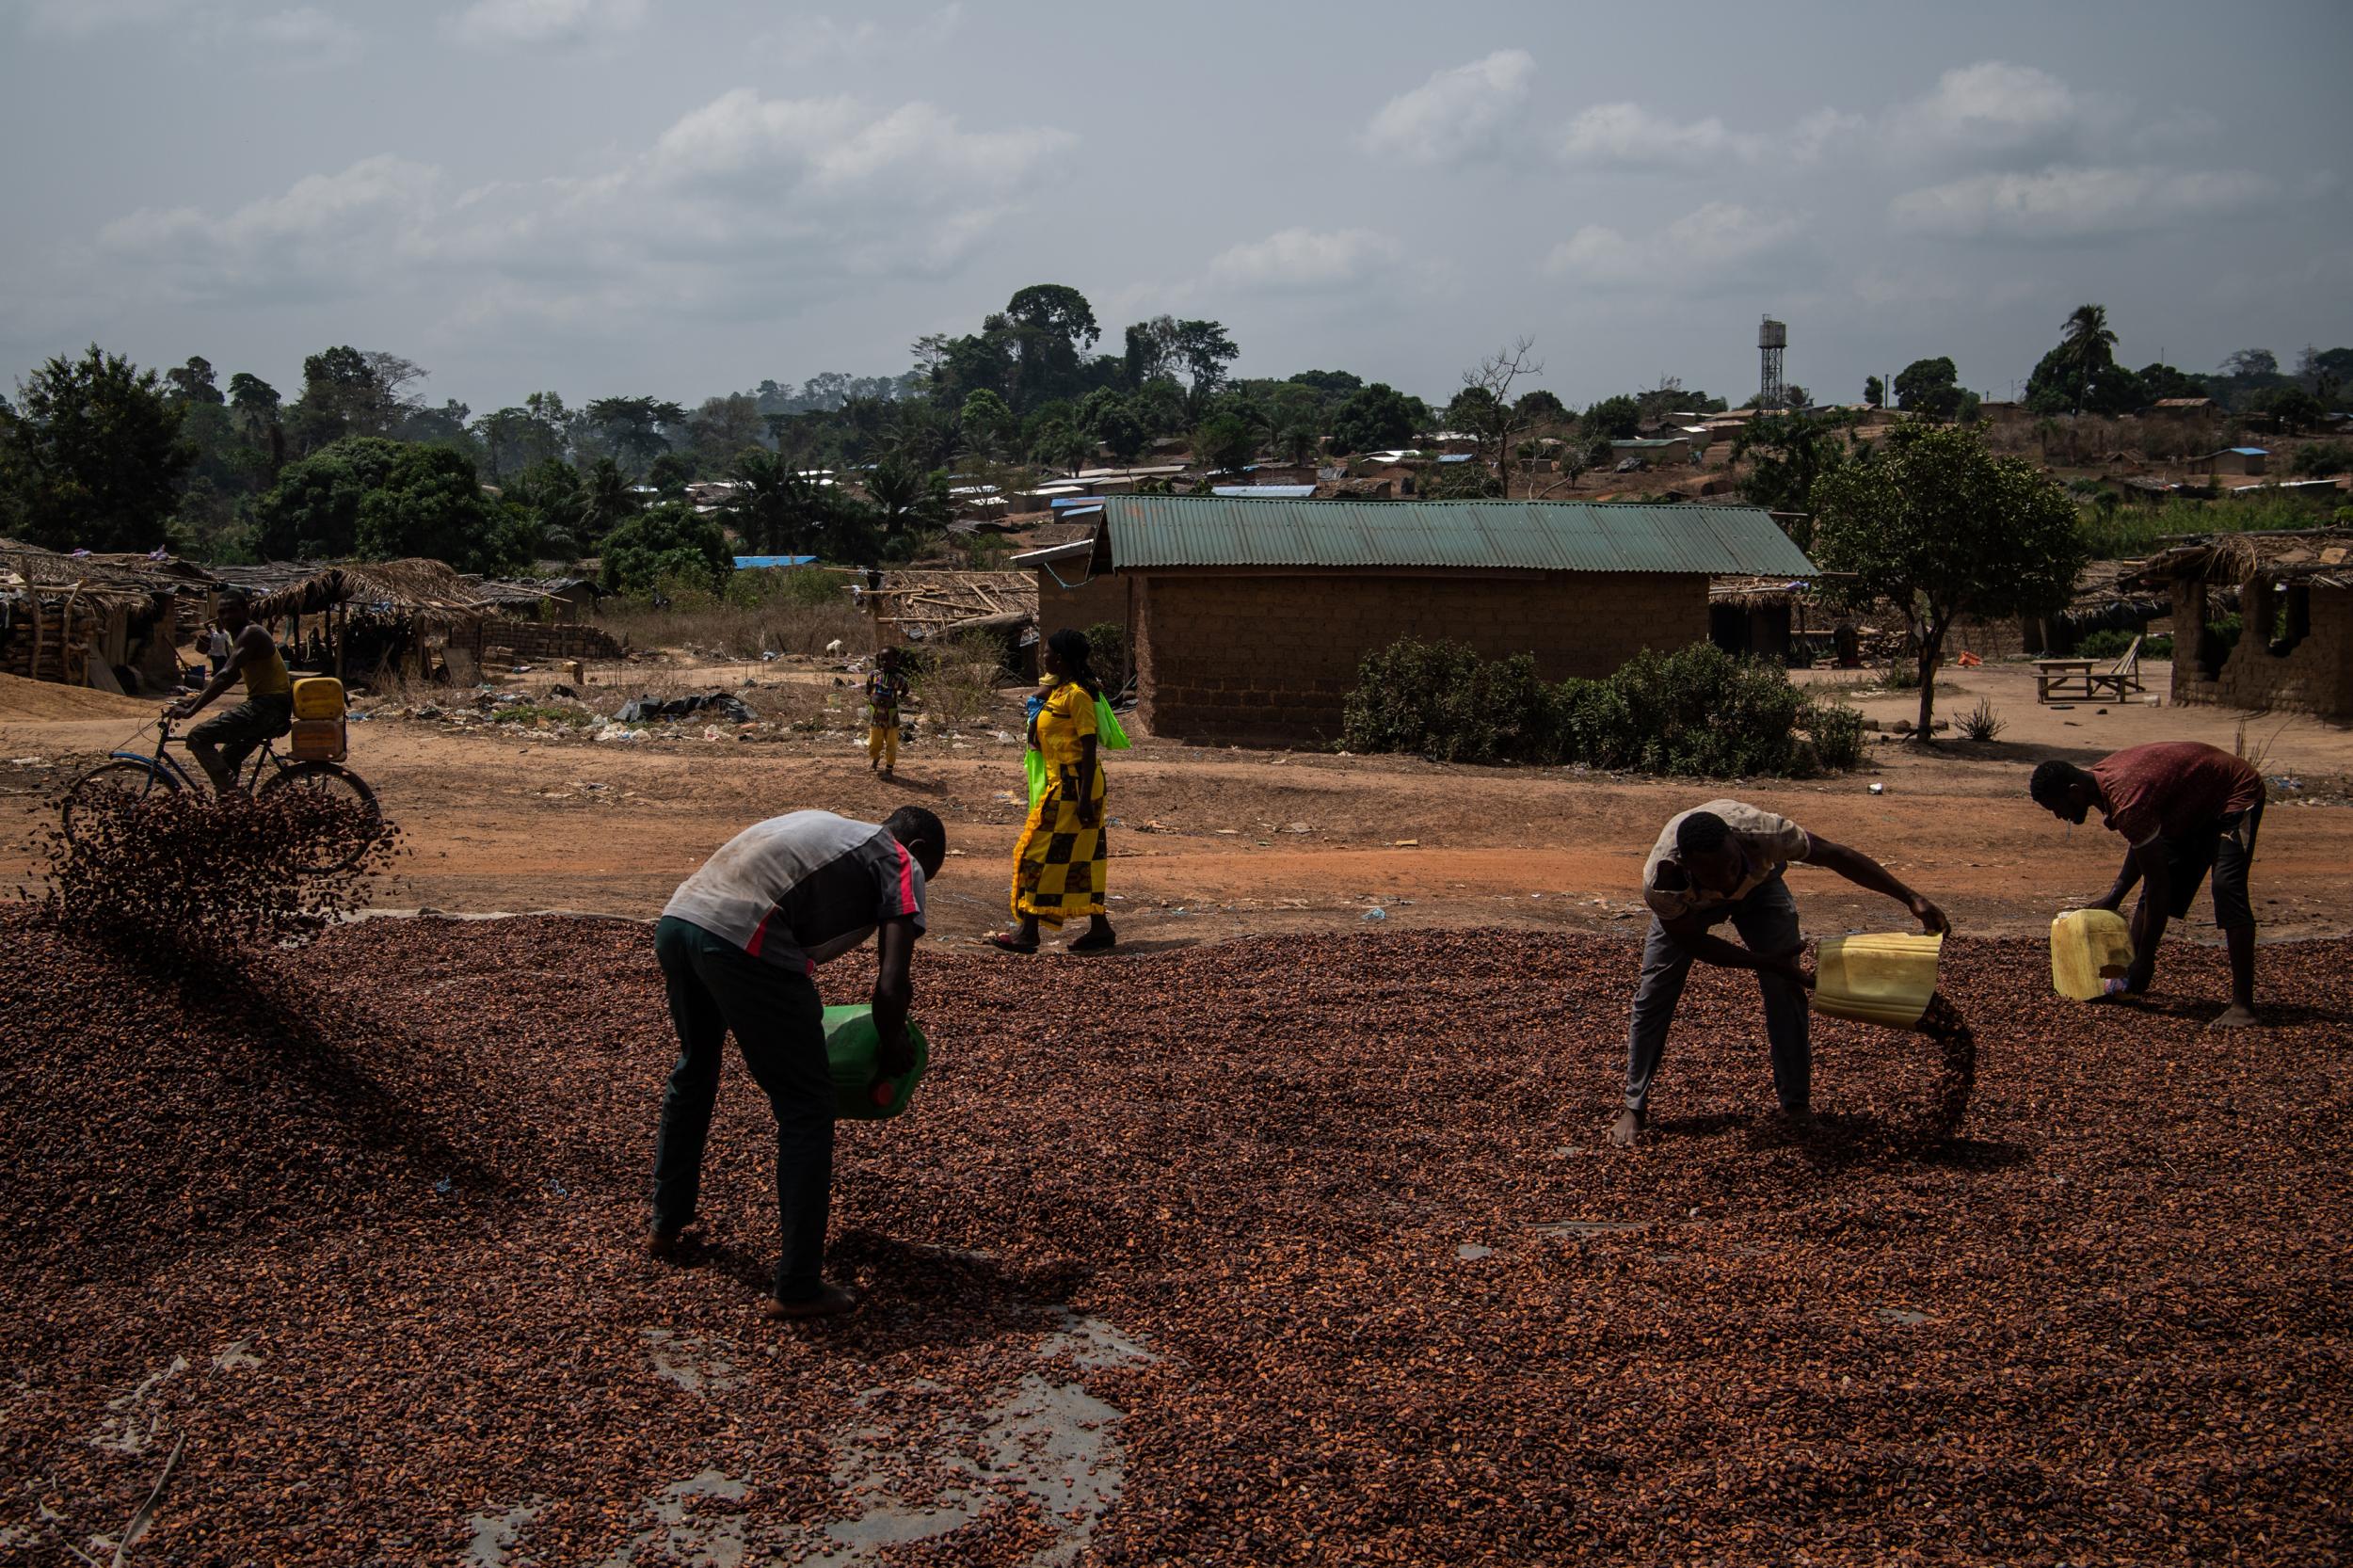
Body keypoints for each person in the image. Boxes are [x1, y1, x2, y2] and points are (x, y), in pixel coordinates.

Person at [648, 805, 947, 1319]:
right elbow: (891, 981)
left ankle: (666, 1223)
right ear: (918, 850)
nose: (920, 886)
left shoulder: (828, 828)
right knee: (808, 1106)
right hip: (740, 938)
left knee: (695, 1071)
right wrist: (893, 1041)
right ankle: (798, 1285)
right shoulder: (902, 861)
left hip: (679, 920)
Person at [1612, 800, 1950, 1147]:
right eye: (1715, 877)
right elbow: (1695, 944)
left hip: (1761, 890)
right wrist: (1764, 961)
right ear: (1689, 868)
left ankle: (1797, 1106)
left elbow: (1834, 855)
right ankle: (1634, 1106)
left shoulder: (1765, 833)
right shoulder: (1663, 880)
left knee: (1786, 987)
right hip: (1693, 906)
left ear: (1737, 843)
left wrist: (1911, 897)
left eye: (1732, 867)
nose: (1728, 883)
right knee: (1654, 993)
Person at [2028, 744, 2265, 1028]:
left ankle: (2243, 1006)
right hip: (2186, 809)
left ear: (2074, 791)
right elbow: (2142, 841)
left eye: (2057, 807)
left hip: (2233, 794)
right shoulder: (2105, 783)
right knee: (2151, 895)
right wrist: (2115, 896)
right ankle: (2127, 977)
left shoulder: (2126, 798)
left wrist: (2148, 959)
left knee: (2227, 887)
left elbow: (2158, 883)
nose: (2059, 816)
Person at [990, 629, 1114, 954]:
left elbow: (1089, 748)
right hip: (1063, 783)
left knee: (1036, 854)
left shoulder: (1077, 696)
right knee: (1078, 859)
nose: (1042, 656)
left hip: (1077, 786)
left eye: (1046, 652)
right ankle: (1100, 929)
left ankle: (1028, 932)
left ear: (1059, 658)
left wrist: (1085, 798)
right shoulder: (1059, 693)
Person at [166, 592, 293, 794]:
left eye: (232, 610)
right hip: (271, 707)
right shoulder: (240, 636)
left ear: (246, 610)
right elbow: (230, 677)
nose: (226, 616)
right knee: (228, 759)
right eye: (222, 612)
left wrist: (193, 710)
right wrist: (193, 700)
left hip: (267, 706)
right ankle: (231, 810)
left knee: (198, 736)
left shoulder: (251, 633)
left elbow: (225, 675)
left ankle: (236, 798)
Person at [865, 648, 908, 779]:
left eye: (888, 660)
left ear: (895, 661)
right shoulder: (873, 675)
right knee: (873, 745)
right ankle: (876, 758)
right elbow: (868, 690)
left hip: (891, 718)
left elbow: (906, 689)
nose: (884, 662)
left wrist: (898, 698)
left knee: (891, 745)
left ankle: (889, 769)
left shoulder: (899, 678)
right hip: (876, 717)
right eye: (882, 660)